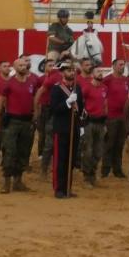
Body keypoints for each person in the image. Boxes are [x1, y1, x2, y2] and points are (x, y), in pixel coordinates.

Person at [0, 55, 37, 194]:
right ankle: (6, 182)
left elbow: (35, 99)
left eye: (25, 65)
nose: (23, 67)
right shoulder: (9, 83)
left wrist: (35, 114)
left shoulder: (31, 82)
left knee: (23, 152)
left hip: (26, 121)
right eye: (20, 65)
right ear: (15, 67)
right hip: (12, 121)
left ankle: (18, 181)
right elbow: (0, 103)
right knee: (9, 151)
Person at [50, 61, 84, 199]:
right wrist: (67, 103)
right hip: (62, 129)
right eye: (68, 70)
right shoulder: (57, 89)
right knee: (61, 160)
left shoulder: (78, 88)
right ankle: (59, 189)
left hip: (74, 128)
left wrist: (81, 125)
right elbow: (54, 109)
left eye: (73, 70)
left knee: (71, 160)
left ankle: (67, 188)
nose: (71, 72)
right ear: (62, 72)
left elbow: (80, 109)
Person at [79, 63, 108, 188]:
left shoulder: (104, 88)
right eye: (98, 72)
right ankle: (87, 176)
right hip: (89, 122)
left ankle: (93, 173)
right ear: (92, 75)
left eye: (101, 72)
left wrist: (106, 121)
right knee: (88, 150)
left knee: (98, 151)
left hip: (101, 123)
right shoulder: (86, 87)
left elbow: (105, 105)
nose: (100, 73)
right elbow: (80, 103)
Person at [102, 58, 129, 178]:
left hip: (122, 117)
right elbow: (103, 97)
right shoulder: (107, 80)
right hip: (111, 117)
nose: (122, 67)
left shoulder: (126, 80)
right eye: (120, 65)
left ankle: (117, 169)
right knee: (109, 144)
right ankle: (106, 169)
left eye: (123, 64)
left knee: (119, 144)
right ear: (113, 66)